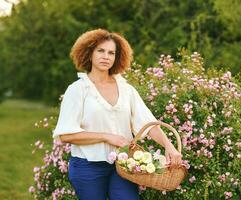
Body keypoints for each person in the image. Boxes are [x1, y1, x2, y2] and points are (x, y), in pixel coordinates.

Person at [52, 28, 182, 200]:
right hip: (87, 167)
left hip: (123, 165)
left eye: (111, 53)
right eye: (101, 51)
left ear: (117, 58)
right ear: (89, 53)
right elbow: (66, 135)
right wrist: (106, 137)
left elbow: (148, 123)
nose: (106, 56)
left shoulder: (126, 89)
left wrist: (169, 145)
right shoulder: (77, 90)